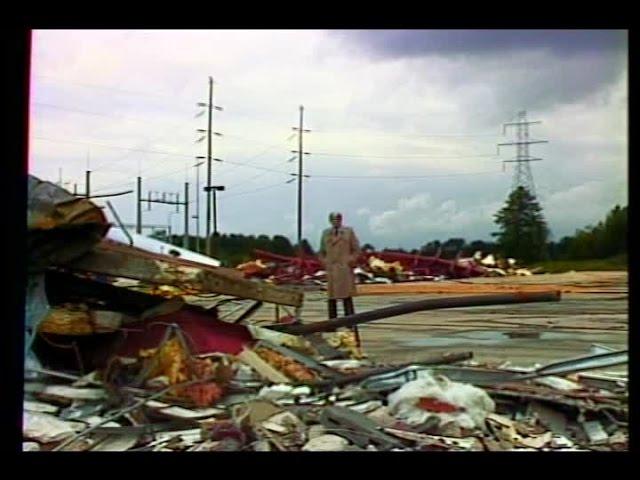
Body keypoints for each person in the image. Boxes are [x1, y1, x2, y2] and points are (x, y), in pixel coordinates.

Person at [318, 212, 362, 348]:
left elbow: (356, 249)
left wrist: (351, 260)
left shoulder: (348, 232)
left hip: (344, 268)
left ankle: (350, 322)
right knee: (331, 298)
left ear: (341, 220)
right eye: (333, 219)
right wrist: (324, 262)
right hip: (331, 268)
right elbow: (321, 251)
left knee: (346, 297)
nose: (335, 221)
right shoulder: (326, 233)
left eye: (338, 219)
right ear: (330, 221)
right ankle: (332, 323)